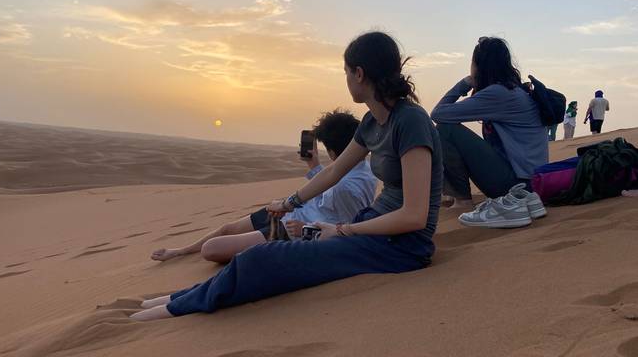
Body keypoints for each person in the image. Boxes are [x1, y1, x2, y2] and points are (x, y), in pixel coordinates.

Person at [130, 31, 443, 321]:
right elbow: (334, 170)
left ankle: (177, 307)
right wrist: (289, 202)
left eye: (346, 72)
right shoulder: (372, 122)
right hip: (371, 226)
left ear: (359, 74)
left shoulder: (410, 121)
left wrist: (344, 230)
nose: (346, 79)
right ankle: (183, 297)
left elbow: (414, 216)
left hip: (400, 247)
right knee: (274, 252)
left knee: (263, 258)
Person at [150, 109, 377, 264]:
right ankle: (180, 251)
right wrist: (314, 165)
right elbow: (325, 191)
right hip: (290, 212)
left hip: (290, 231)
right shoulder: (351, 169)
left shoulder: (353, 186)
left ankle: (259, 255)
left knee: (211, 249)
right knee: (226, 229)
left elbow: (348, 228)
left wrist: (309, 231)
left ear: (333, 152)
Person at [430, 36, 547, 228]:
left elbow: (439, 114)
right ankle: (455, 195)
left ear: (479, 65)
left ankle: (462, 200)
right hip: (530, 184)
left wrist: (465, 83)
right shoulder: (514, 91)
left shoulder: (499, 93)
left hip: (516, 186)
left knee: (445, 130)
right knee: (447, 129)